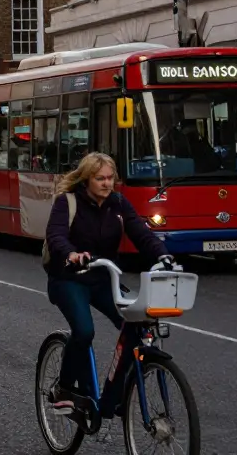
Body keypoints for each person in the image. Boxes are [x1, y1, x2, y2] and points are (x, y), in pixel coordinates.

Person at [44, 152, 172, 415]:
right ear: (86, 179)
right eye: (99, 178)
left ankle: (111, 398)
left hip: (104, 279)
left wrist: (163, 255)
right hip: (69, 279)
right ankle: (65, 389)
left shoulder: (119, 204)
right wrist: (72, 254)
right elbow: (56, 235)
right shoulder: (66, 202)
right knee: (84, 332)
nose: (106, 183)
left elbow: (140, 233)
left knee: (137, 325)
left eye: (110, 178)